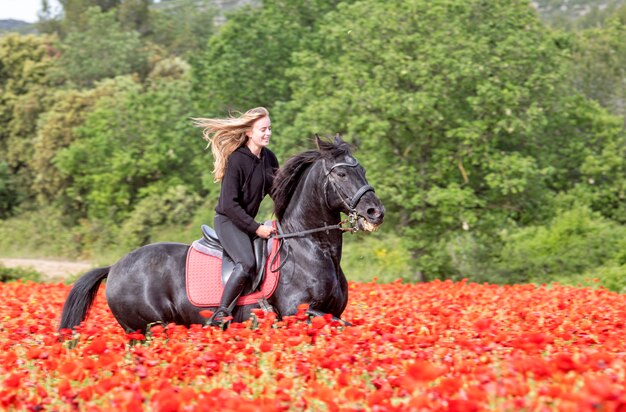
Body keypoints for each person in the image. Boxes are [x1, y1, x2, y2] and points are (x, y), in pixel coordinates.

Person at [193, 107, 279, 326]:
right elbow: (230, 205)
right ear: (249, 132)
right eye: (263, 129)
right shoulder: (236, 160)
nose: (268, 133)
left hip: (247, 222)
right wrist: (257, 228)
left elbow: (279, 194)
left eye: (269, 128)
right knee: (247, 263)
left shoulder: (269, 158)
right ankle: (221, 312)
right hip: (228, 221)